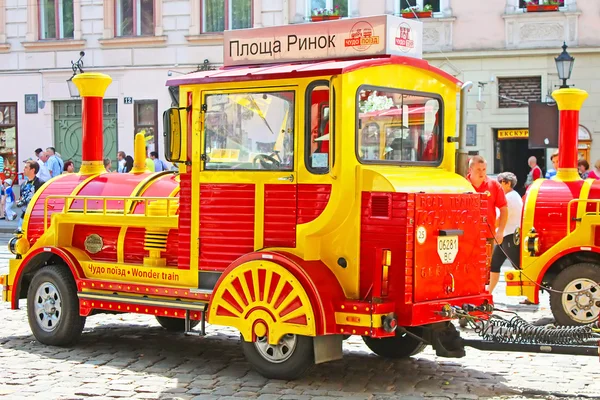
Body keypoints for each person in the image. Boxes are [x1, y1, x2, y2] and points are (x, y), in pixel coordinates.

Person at [489, 172, 523, 295]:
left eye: (500, 183)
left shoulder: (509, 197)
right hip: (505, 235)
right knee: (495, 264)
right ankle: (489, 291)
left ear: (507, 183)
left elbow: (498, 220)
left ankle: (531, 295)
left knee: (518, 266)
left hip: (509, 235)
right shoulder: (514, 195)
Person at [17, 160, 45, 231]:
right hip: (24, 215)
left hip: (36, 216)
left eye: (26, 167)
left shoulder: (40, 183)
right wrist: (20, 201)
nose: (24, 169)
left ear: (33, 170)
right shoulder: (23, 184)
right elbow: (21, 197)